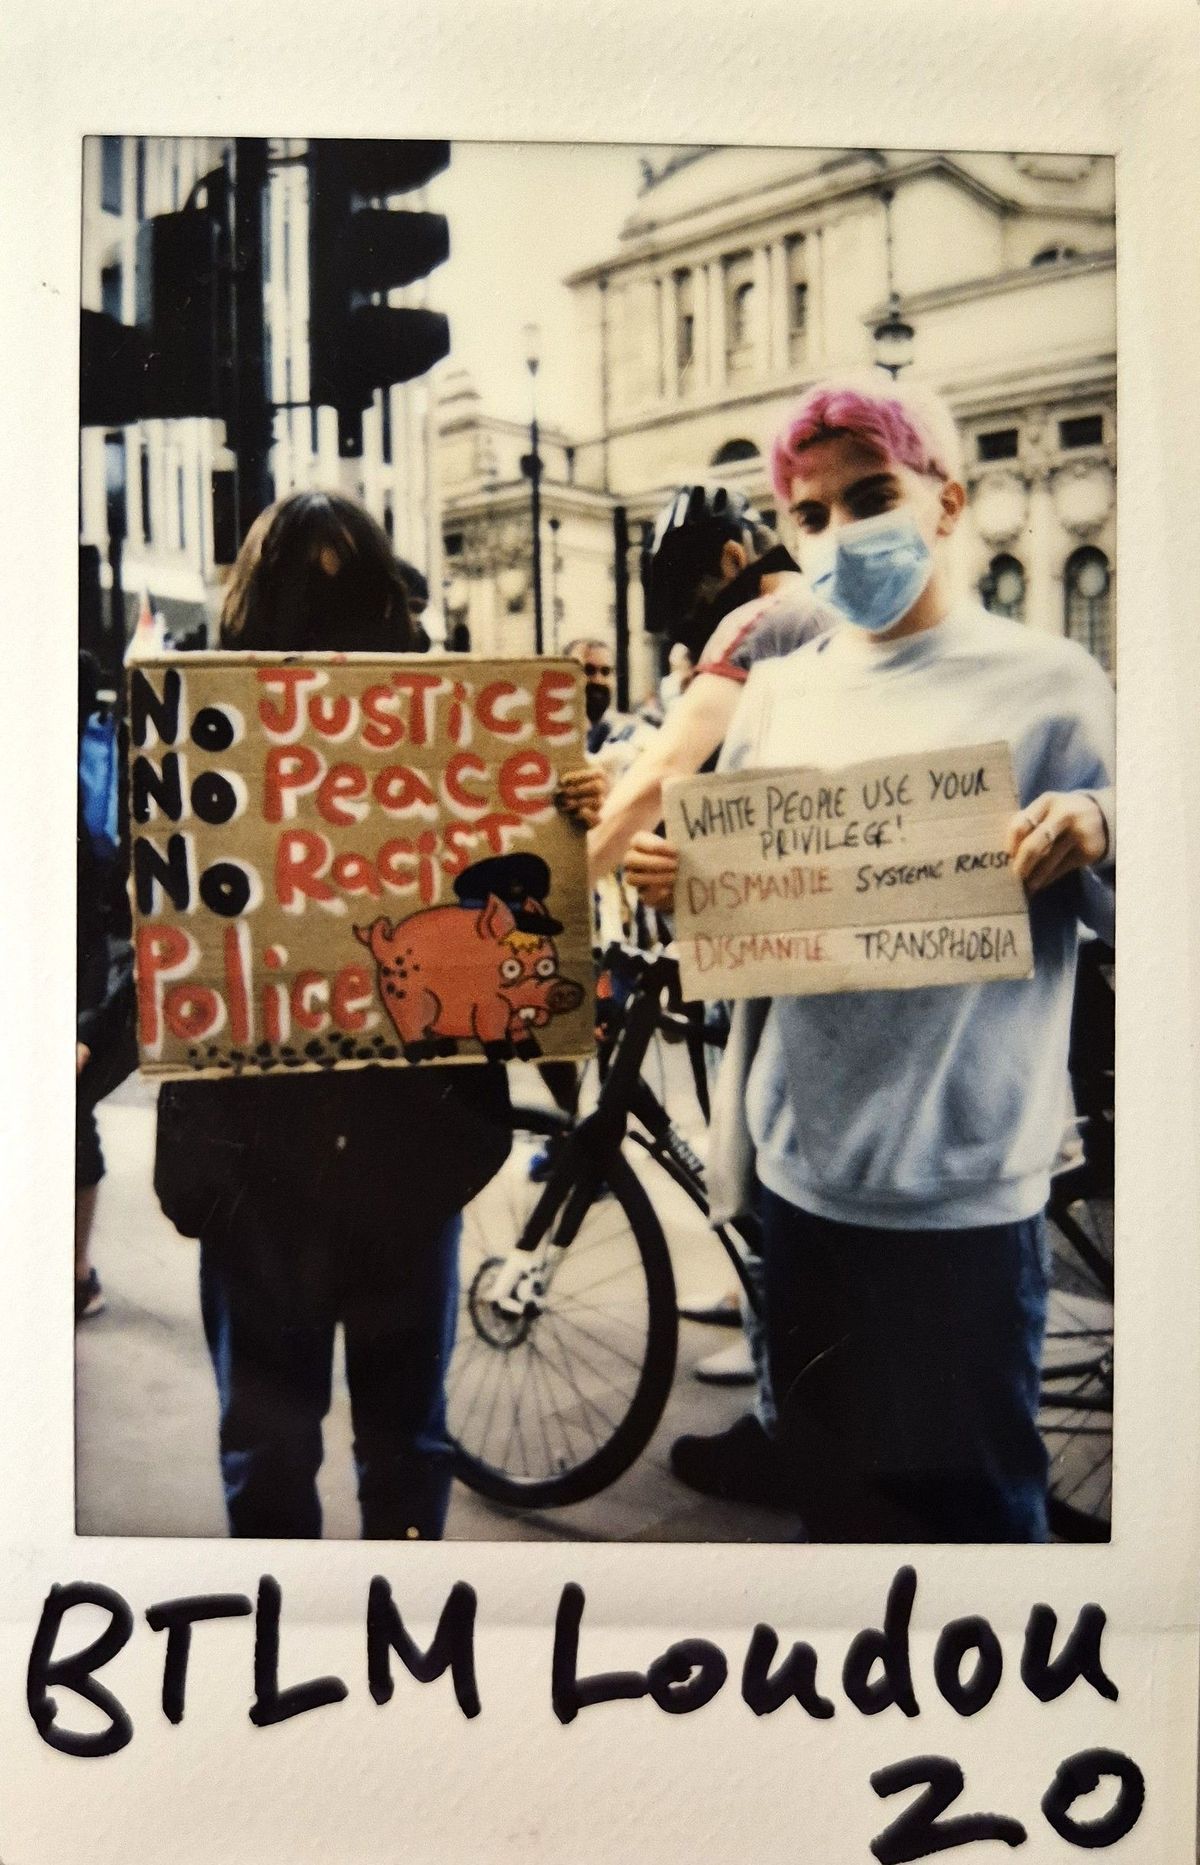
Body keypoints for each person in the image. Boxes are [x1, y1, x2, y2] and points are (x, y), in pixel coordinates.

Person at [627, 374, 1115, 1543]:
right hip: (807, 1190)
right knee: (839, 1516)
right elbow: (751, 912)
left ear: (948, 502)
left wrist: (1101, 822)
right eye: (811, 512)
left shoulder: (1052, 682)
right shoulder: (779, 695)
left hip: (965, 1199)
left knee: (980, 1519)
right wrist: (685, 877)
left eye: (872, 496)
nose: (841, 532)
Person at [152, 491, 524, 1541]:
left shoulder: (447, 729)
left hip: (399, 1150)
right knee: (291, 1445)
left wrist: (561, 813)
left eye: (348, 598)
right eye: (297, 602)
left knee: (384, 1442)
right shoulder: (195, 736)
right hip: (272, 1170)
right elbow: (168, 911)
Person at [587, 484, 837, 1495]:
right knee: (781, 1189)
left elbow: (670, 768)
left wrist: (555, 895)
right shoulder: (828, 617)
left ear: (733, 561)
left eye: (690, 607)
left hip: (784, 961)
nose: (694, 638)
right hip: (811, 936)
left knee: (772, 1181)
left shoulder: (762, 616)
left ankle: (790, 1433)